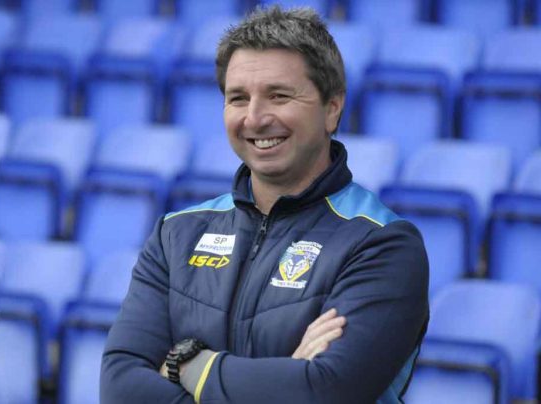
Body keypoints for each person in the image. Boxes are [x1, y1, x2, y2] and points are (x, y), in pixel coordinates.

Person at [101, 6, 429, 403]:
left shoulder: (383, 244)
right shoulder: (176, 233)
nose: (255, 119)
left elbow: (326, 392)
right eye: (238, 98)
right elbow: (120, 385)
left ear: (332, 108)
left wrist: (187, 366)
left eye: (279, 96)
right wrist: (284, 377)